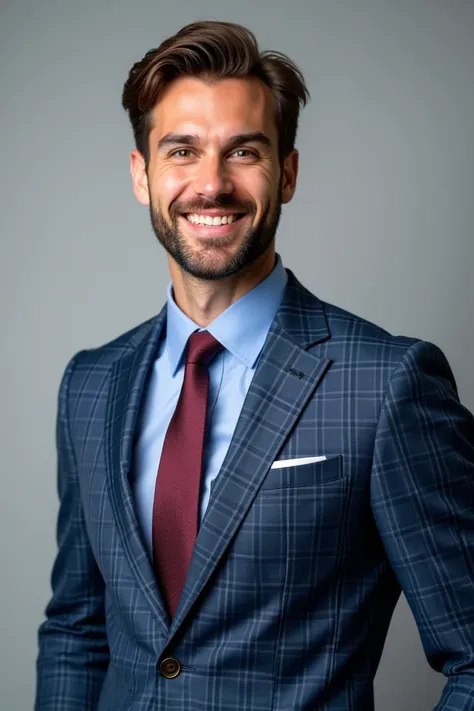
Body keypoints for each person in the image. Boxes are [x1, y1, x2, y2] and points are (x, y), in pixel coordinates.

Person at [35, 20, 474, 711]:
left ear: (287, 173)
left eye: (244, 151)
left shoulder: (387, 385)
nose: (212, 184)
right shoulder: (89, 387)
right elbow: (77, 630)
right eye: (182, 151)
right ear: (141, 175)